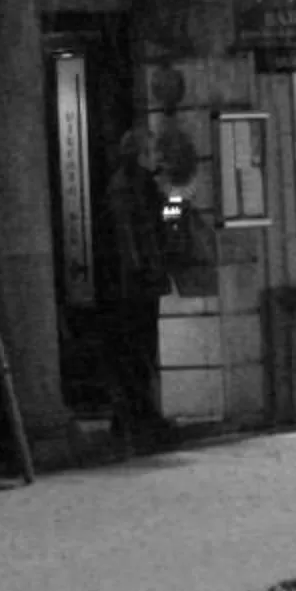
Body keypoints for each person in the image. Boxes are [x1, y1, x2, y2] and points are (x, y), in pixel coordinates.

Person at [100, 119, 180, 452]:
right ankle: (137, 416)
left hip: (139, 281)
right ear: (139, 154)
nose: (155, 157)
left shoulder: (144, 186)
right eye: (151, 151)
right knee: (136, 349)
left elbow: (169, 225)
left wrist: (172, 197)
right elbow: (133, 238)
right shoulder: (127, 188)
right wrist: (140, 272)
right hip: (134, 284)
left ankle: (134, 415)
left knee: (138, 350)